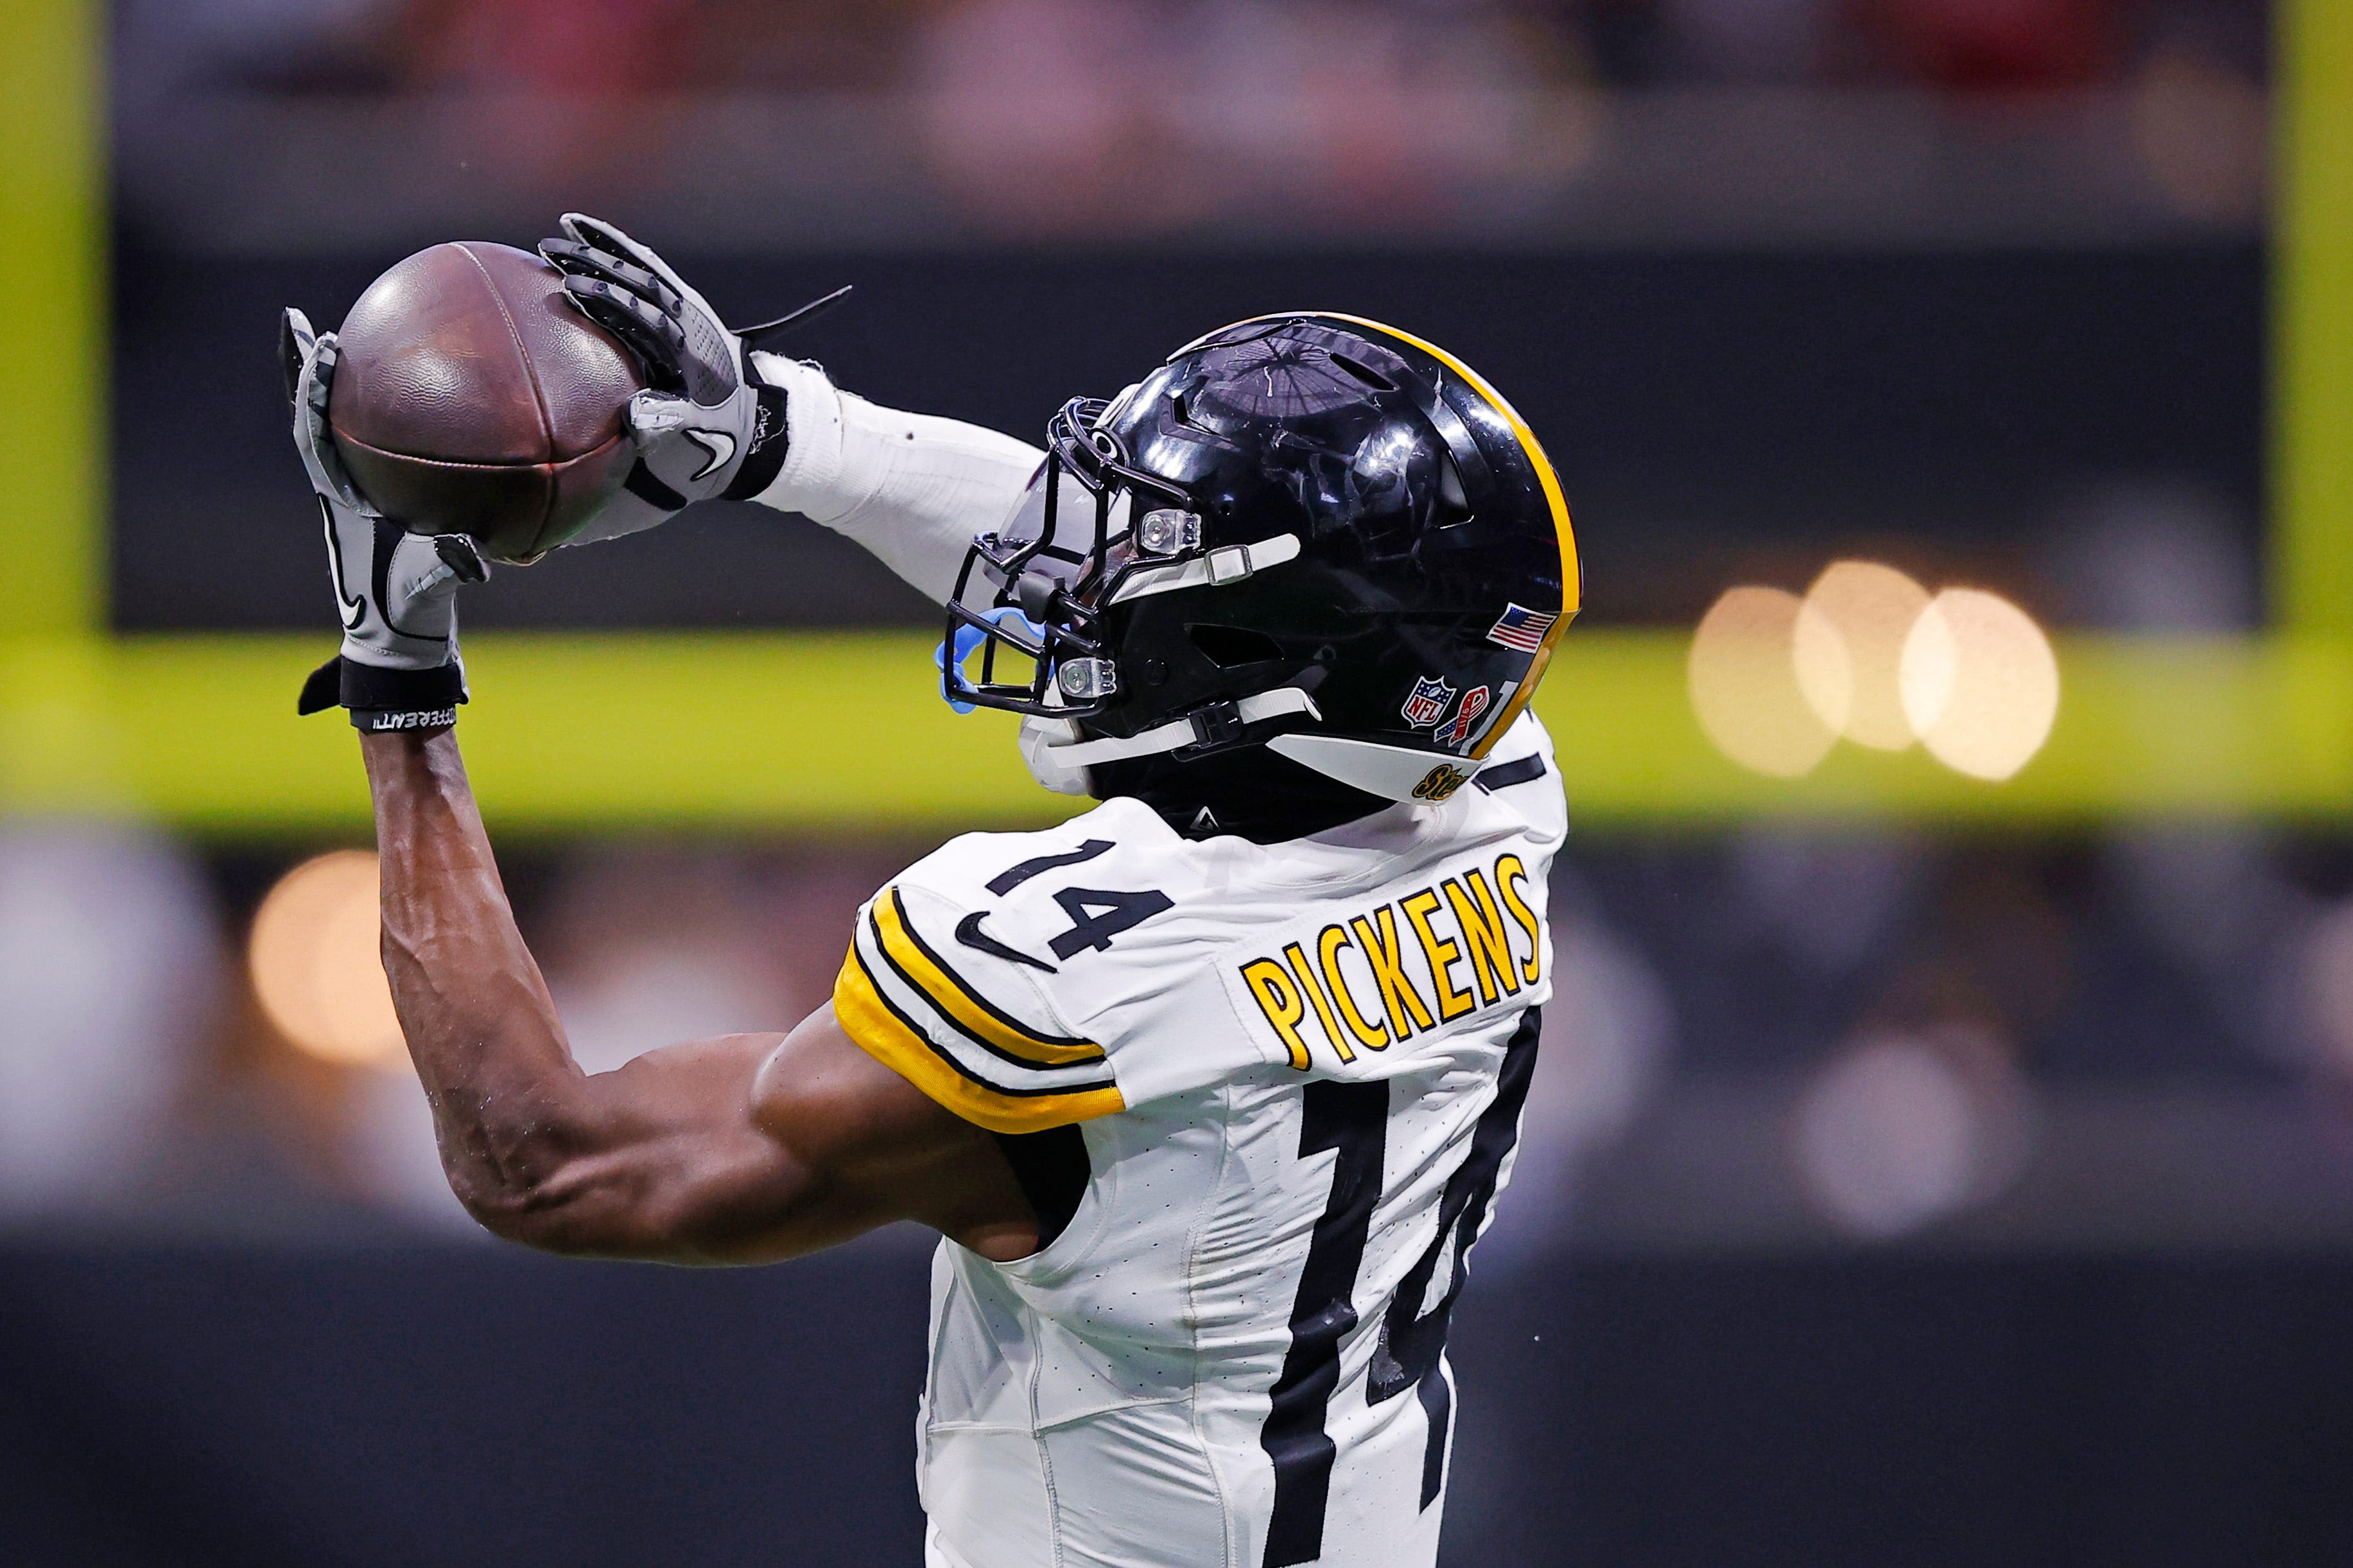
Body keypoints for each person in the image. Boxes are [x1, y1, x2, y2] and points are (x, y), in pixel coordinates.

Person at [279, 215, 1580, 1568]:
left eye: (1137, 566)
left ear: (1249, 655)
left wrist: (398, 672)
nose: (1072, 579)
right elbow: (1184, 591)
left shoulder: (1077, 986)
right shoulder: (1483, 787)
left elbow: (539, 1159)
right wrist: (780, 429)